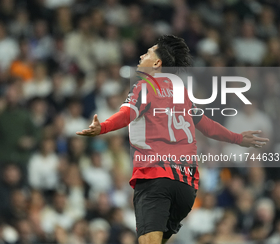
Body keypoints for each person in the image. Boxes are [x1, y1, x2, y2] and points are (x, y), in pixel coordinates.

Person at [76, 35, 269, 244]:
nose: (142, 55)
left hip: (156, 178)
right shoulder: (181, 92)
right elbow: (207, 126)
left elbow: (127, 114)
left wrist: (102, 127)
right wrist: (238, 138)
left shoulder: (145, 86)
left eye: (148, 52)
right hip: (186, 187)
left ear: (158, 63)